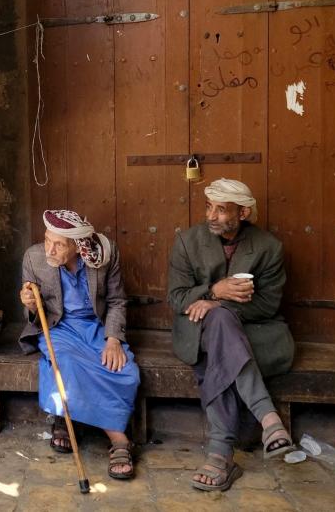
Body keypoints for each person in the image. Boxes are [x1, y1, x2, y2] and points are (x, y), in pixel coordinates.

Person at [167, 178, 295, 492]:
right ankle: (269, 419)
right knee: (220, 332)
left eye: (222, 210)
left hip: (254, 332)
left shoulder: (268, 247)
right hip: (198, 331)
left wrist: (216, 306)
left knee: (220, 344)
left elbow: (267, 304)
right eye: (209, 206)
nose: (211, 215)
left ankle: (221, 453)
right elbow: (176, 297)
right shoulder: (187, 242)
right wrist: (214, 290)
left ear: (243, 212)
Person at [19, 210, 140, 480]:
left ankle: (67, 418)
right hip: (58, 327)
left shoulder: (104, 256)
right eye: (48, 240)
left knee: (125, 370)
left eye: (59, 244)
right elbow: (34, 312)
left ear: (77, 246)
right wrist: (28, 303)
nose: (49, 248)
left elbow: (117, 301)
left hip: (96, 328)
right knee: (68, 364)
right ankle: (119, 439)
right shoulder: (34, 257)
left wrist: (113, 340)